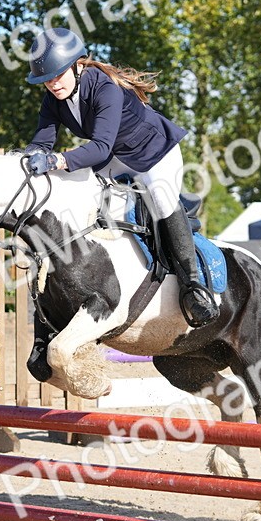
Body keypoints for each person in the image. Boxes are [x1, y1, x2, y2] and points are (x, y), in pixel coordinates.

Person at [21, 27, 218, 327]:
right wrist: (26, 159)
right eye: (46, 80)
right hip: (116, 158)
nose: (52, 84)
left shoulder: (105, 89)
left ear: (78, 64)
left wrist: (58, 159)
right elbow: (42, 142)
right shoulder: (53, 100)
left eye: (57, 76)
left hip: (154, 154)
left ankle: (193, 288)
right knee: (79, 189)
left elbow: (98, 148)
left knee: (163, 203)